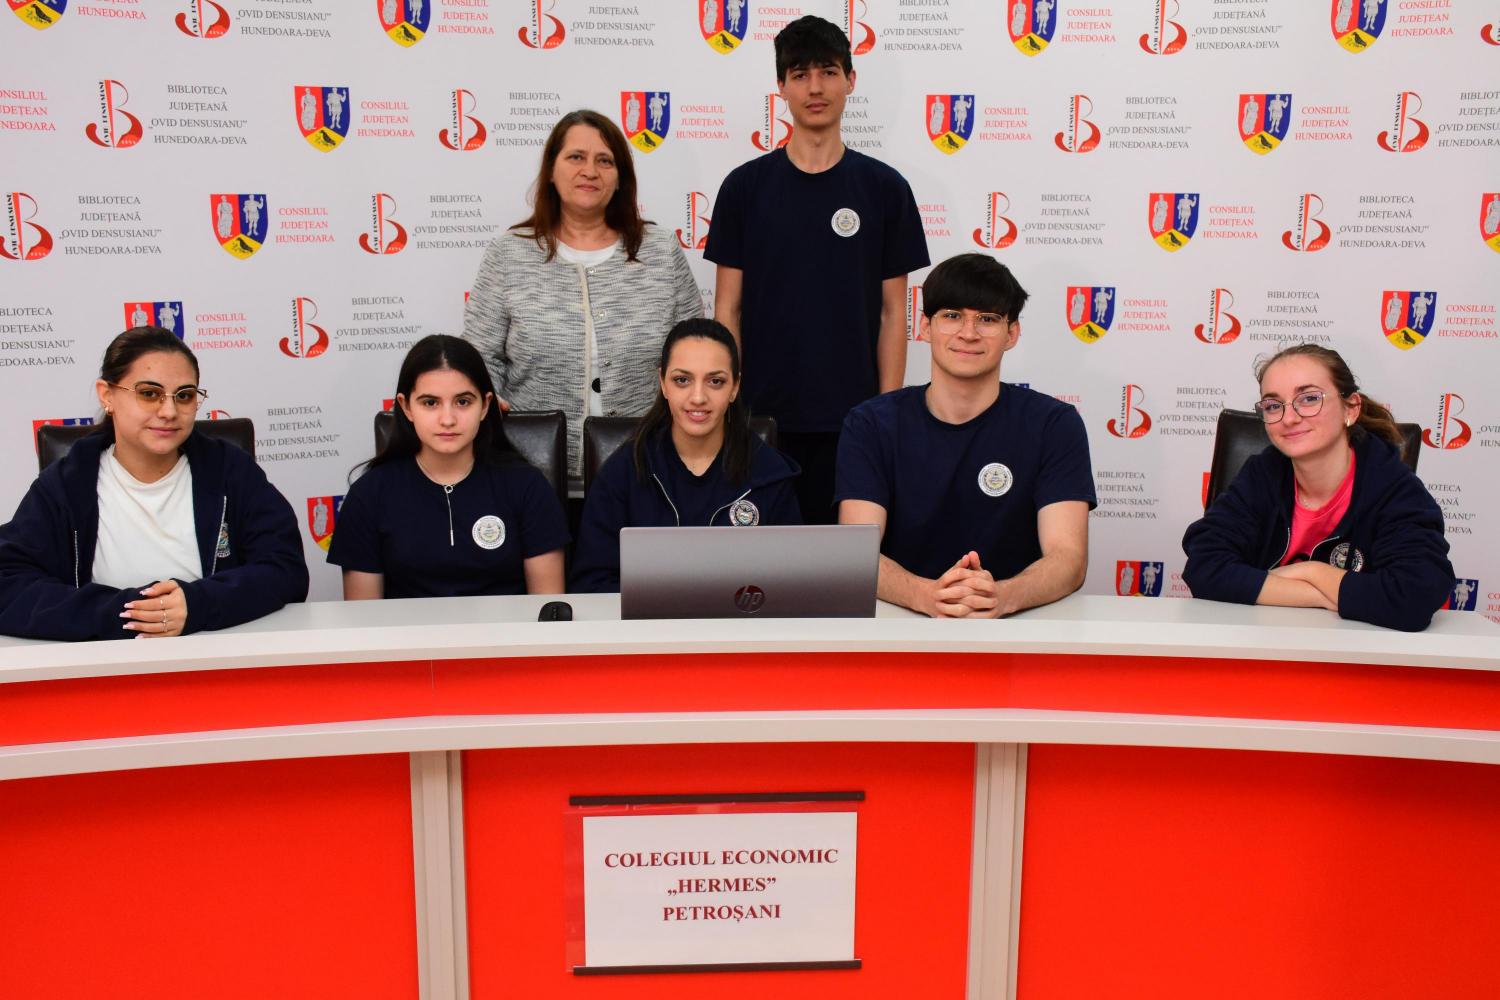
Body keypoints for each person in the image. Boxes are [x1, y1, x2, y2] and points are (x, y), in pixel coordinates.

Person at [706, 14, 928, 524]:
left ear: (850, 80)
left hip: (854, 420)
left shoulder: (885, 189)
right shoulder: (744, 188)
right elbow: (727, 310)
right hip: (759, 419)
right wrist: (728, 403)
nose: (815, 87)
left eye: (828, 72)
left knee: (847, 562)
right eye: (800, 74)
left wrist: (886, 412)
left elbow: (894, 314)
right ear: (781, 86)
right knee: (759, 562)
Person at [0, 327, 307, 640]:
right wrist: (134, 613)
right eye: (149, 394)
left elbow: (286, 569)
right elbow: (7, 584)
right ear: (107, 395)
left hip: (217, 657)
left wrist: (198, 605)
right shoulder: (66, 484)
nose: (169, 412)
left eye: (184, 396)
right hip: (105, 659)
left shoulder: (231, 471)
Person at [835, 254, 1095, 618]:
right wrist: (927, 596)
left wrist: (1001, 596)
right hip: (902, 628)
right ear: (924, 327)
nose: (968, 333)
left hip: (1016, 629)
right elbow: (855, 554)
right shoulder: (870, 424)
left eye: (987, 319)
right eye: (952, 316)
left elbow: (1068, 558)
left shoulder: (1055, 424)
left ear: (1012, 334)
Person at [464, 109, 702, 491]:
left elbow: (695, 352)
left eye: (605, 161)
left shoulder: (661, 250)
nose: (589, 171)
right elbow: (479, 357)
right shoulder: (508, 253)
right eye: (576, 157)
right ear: (551, 170)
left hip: (646, 471)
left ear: (620, 177)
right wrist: (491, 404)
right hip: (531, 475)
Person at [1182, 344, 1453, 631]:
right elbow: (1204, 567)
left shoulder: (1392, 485)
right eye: (1273, 405)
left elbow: (1414, 596)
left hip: (1357, 650)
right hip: (1262, 642)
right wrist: (1321, 596)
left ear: (1351, 409)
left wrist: (1312, 571)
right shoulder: (1261, 474)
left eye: (1309, 398)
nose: (1289, 418)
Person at [328, 335, 568, 599]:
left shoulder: (527, 487)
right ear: (406, 407)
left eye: (463, 402)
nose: (448, 419)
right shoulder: (369, 495)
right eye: (430, 403)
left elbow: (548, 608)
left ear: (485, 405)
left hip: (508, 628)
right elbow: (364, 616)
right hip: (406, 628)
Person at [571, 318, 801, 593]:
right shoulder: (622, 471)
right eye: (682, 380)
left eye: (715, 381)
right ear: (663, 383)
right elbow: (591, 583)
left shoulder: (769, 473)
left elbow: (791, 585)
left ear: (735, 387)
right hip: (648, 620)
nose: (698, 397)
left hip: (739, 620)